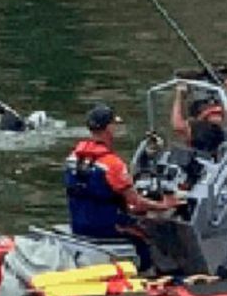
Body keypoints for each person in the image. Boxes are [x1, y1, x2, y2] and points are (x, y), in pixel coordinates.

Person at [65, 104, 176, 264]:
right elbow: (136, 203)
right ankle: (148, 273)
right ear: (109, 127)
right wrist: (164, 205)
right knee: (147, 237)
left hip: (79, 225)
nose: (117, 128)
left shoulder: (74, 157)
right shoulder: (112, 164)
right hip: (105, 227)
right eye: (115, 124)